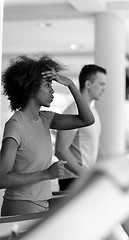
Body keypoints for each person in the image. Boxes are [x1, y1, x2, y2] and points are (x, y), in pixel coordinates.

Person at [0, 55, 94, 216]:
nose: (52, 90)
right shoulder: (16, 125)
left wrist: (70, 84)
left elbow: (87, 119)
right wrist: (46, 174)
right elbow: (2, 179)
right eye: (47, 85)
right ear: (31, 87)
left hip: (42, 203)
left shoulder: (46, 119)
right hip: (20, 206)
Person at [55, 64, 107, 191]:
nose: (104, 89)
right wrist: (86, 176)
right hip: (73, 179)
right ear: (88, 84)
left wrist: (107, 169)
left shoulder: (93, 111)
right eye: (101, 84)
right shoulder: (73, 111)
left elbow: (94, 144)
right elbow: (61, 150)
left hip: (86, 178)